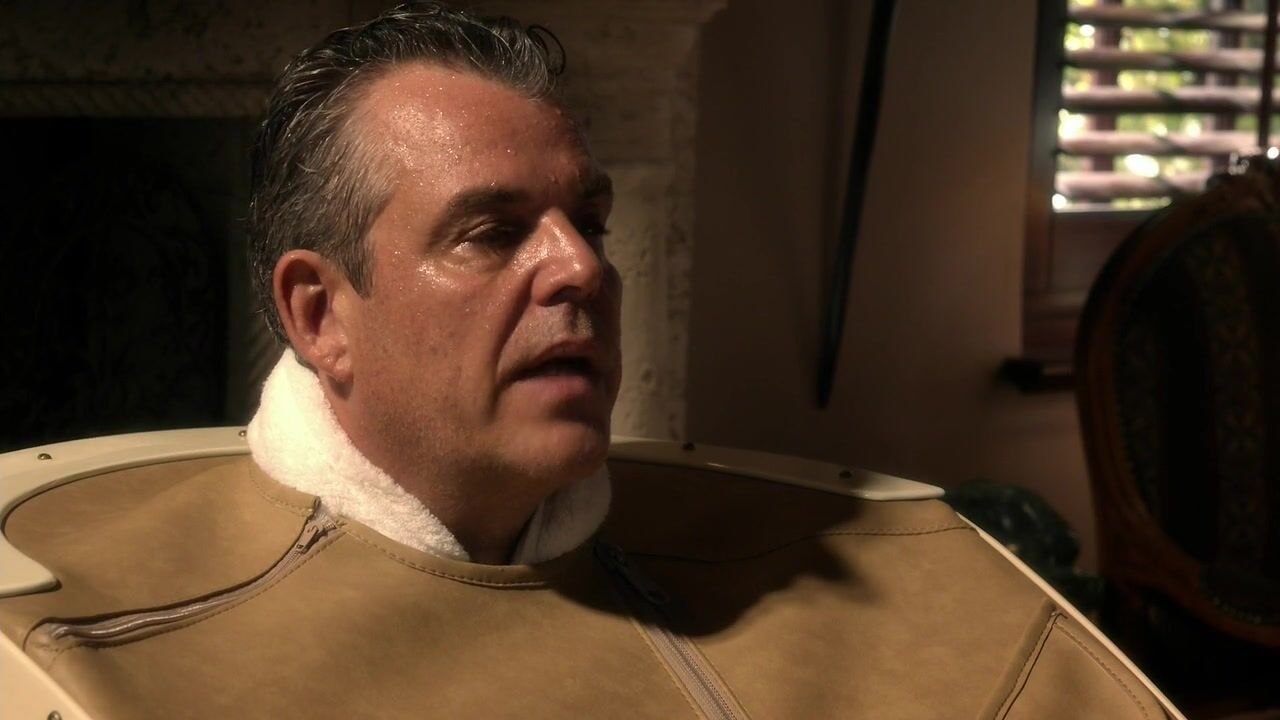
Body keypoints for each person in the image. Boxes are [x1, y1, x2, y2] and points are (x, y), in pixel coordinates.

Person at [0, 3, 1181, 718]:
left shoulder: (786, 560)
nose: (580, 269)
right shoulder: (90, 651)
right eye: (491, 231)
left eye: (590, 220)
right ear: (320, 317)